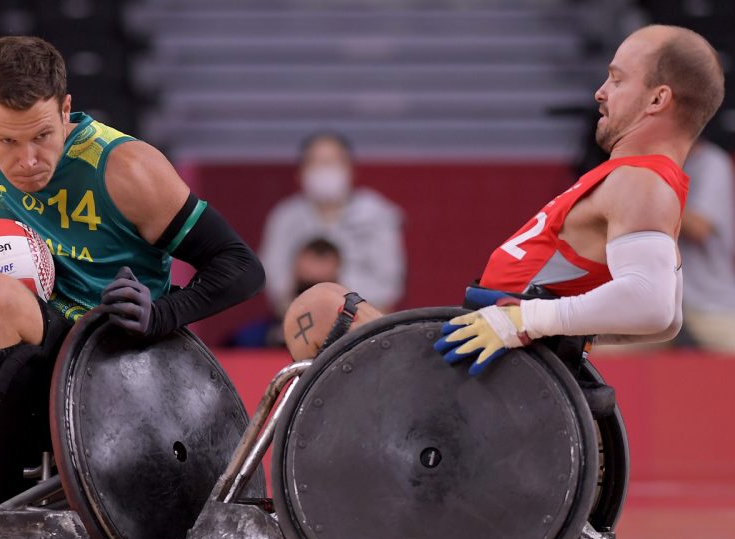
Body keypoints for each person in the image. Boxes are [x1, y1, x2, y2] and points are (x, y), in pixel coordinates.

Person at [0, 36, 264, 510]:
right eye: (7, 140)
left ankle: (2, 513)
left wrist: (162, 313)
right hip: (6, 336)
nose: (28, 159)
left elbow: (242, 267)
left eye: (43, 135)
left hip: (98, 350)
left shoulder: (127, 168)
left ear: (66, 110)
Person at [283, 25, 724, 374]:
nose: (600, 92)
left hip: (492, 368)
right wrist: (554, 331)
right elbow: (667, 318)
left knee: (321, 306)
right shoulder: (647, 180)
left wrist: (528, 323)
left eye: (617, 78)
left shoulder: (641, 180)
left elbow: (650, 304)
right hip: (489, 345)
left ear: (657, 99)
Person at [258, 132, 405, 316]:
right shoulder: (284, 216)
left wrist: (333, 285)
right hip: (300, 321)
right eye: (317, 162)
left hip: (364, 322)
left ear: (350, 169)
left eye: (332, 162)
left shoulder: (377, 214)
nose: (325, 169)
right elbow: (273, 280)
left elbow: (388, 283)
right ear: (300, 172)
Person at [677, 138, 735, 352]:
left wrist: (649, 192)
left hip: (709, 301)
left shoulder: (711, 162)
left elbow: (699, 229)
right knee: (597, 359)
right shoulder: (642, 161)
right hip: (655, 302)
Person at [230, 238, 341, 349]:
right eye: (305, 289)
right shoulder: (256, 336)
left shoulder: (349, 335)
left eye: (320, 291)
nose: (310, 301)